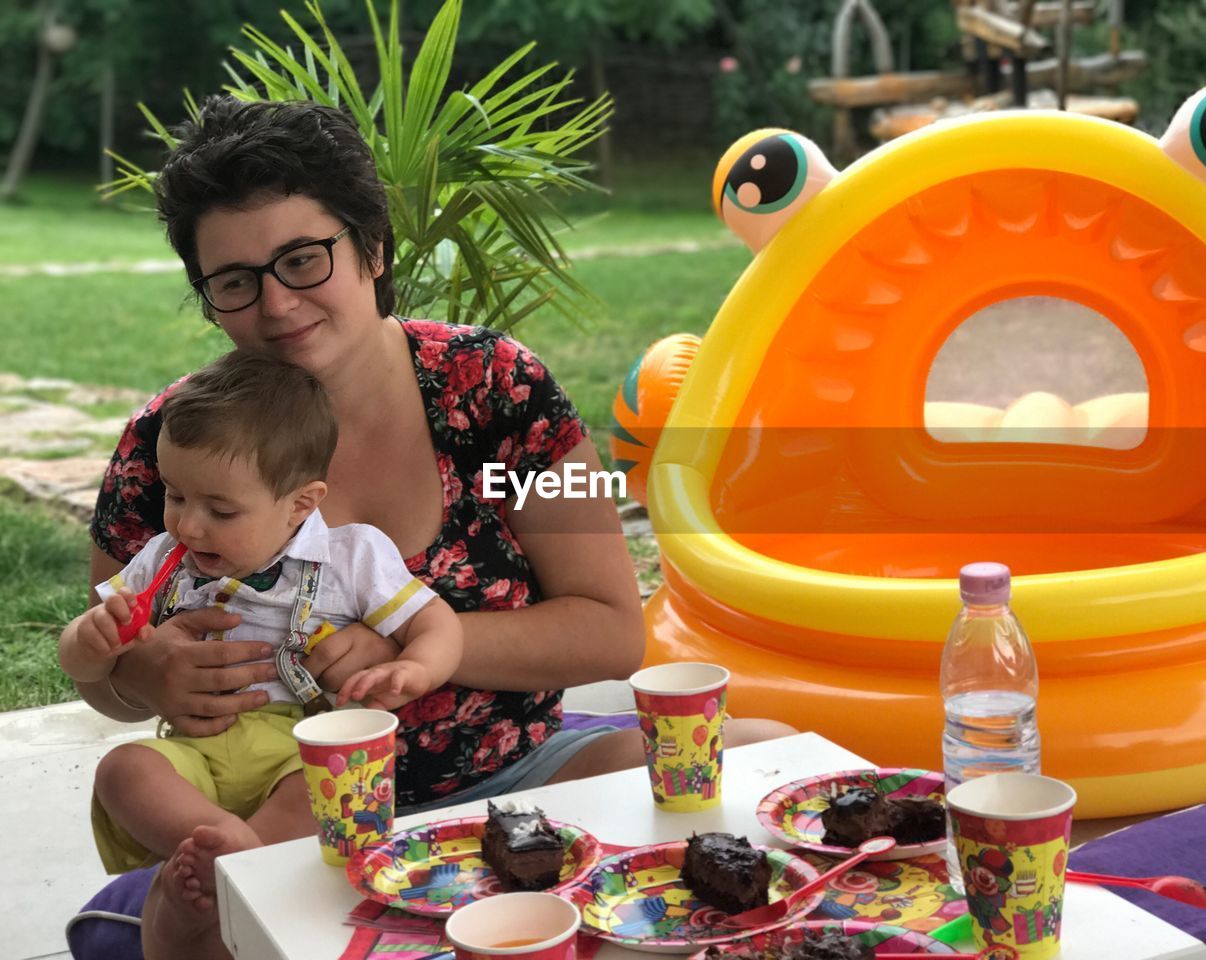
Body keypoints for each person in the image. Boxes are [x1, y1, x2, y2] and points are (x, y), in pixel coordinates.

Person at [71, 95, 794, 960]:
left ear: (371, 248)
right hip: (273, 810)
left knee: (763, 760)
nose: (275, 305)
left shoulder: (490, 392)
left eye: (304, 259)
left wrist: (414, 649)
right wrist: (144, 676)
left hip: (511, 780)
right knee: (216, 922)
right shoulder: (175, 442)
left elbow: (611, 629)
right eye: (233, 281)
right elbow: (105, 669)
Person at [61, 351, 463, 926]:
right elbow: (80, 659)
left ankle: (232, 871)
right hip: (193, 750)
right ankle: (221, 845)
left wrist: (416, 668)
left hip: (299, 750)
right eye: (175, 496)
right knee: (123, 769)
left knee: (328, 791)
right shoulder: (161, 561)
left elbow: (436, 622)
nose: (187, 525)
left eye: (220, 510)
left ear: (302, 503)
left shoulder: (351, 556)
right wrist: (90, 639)